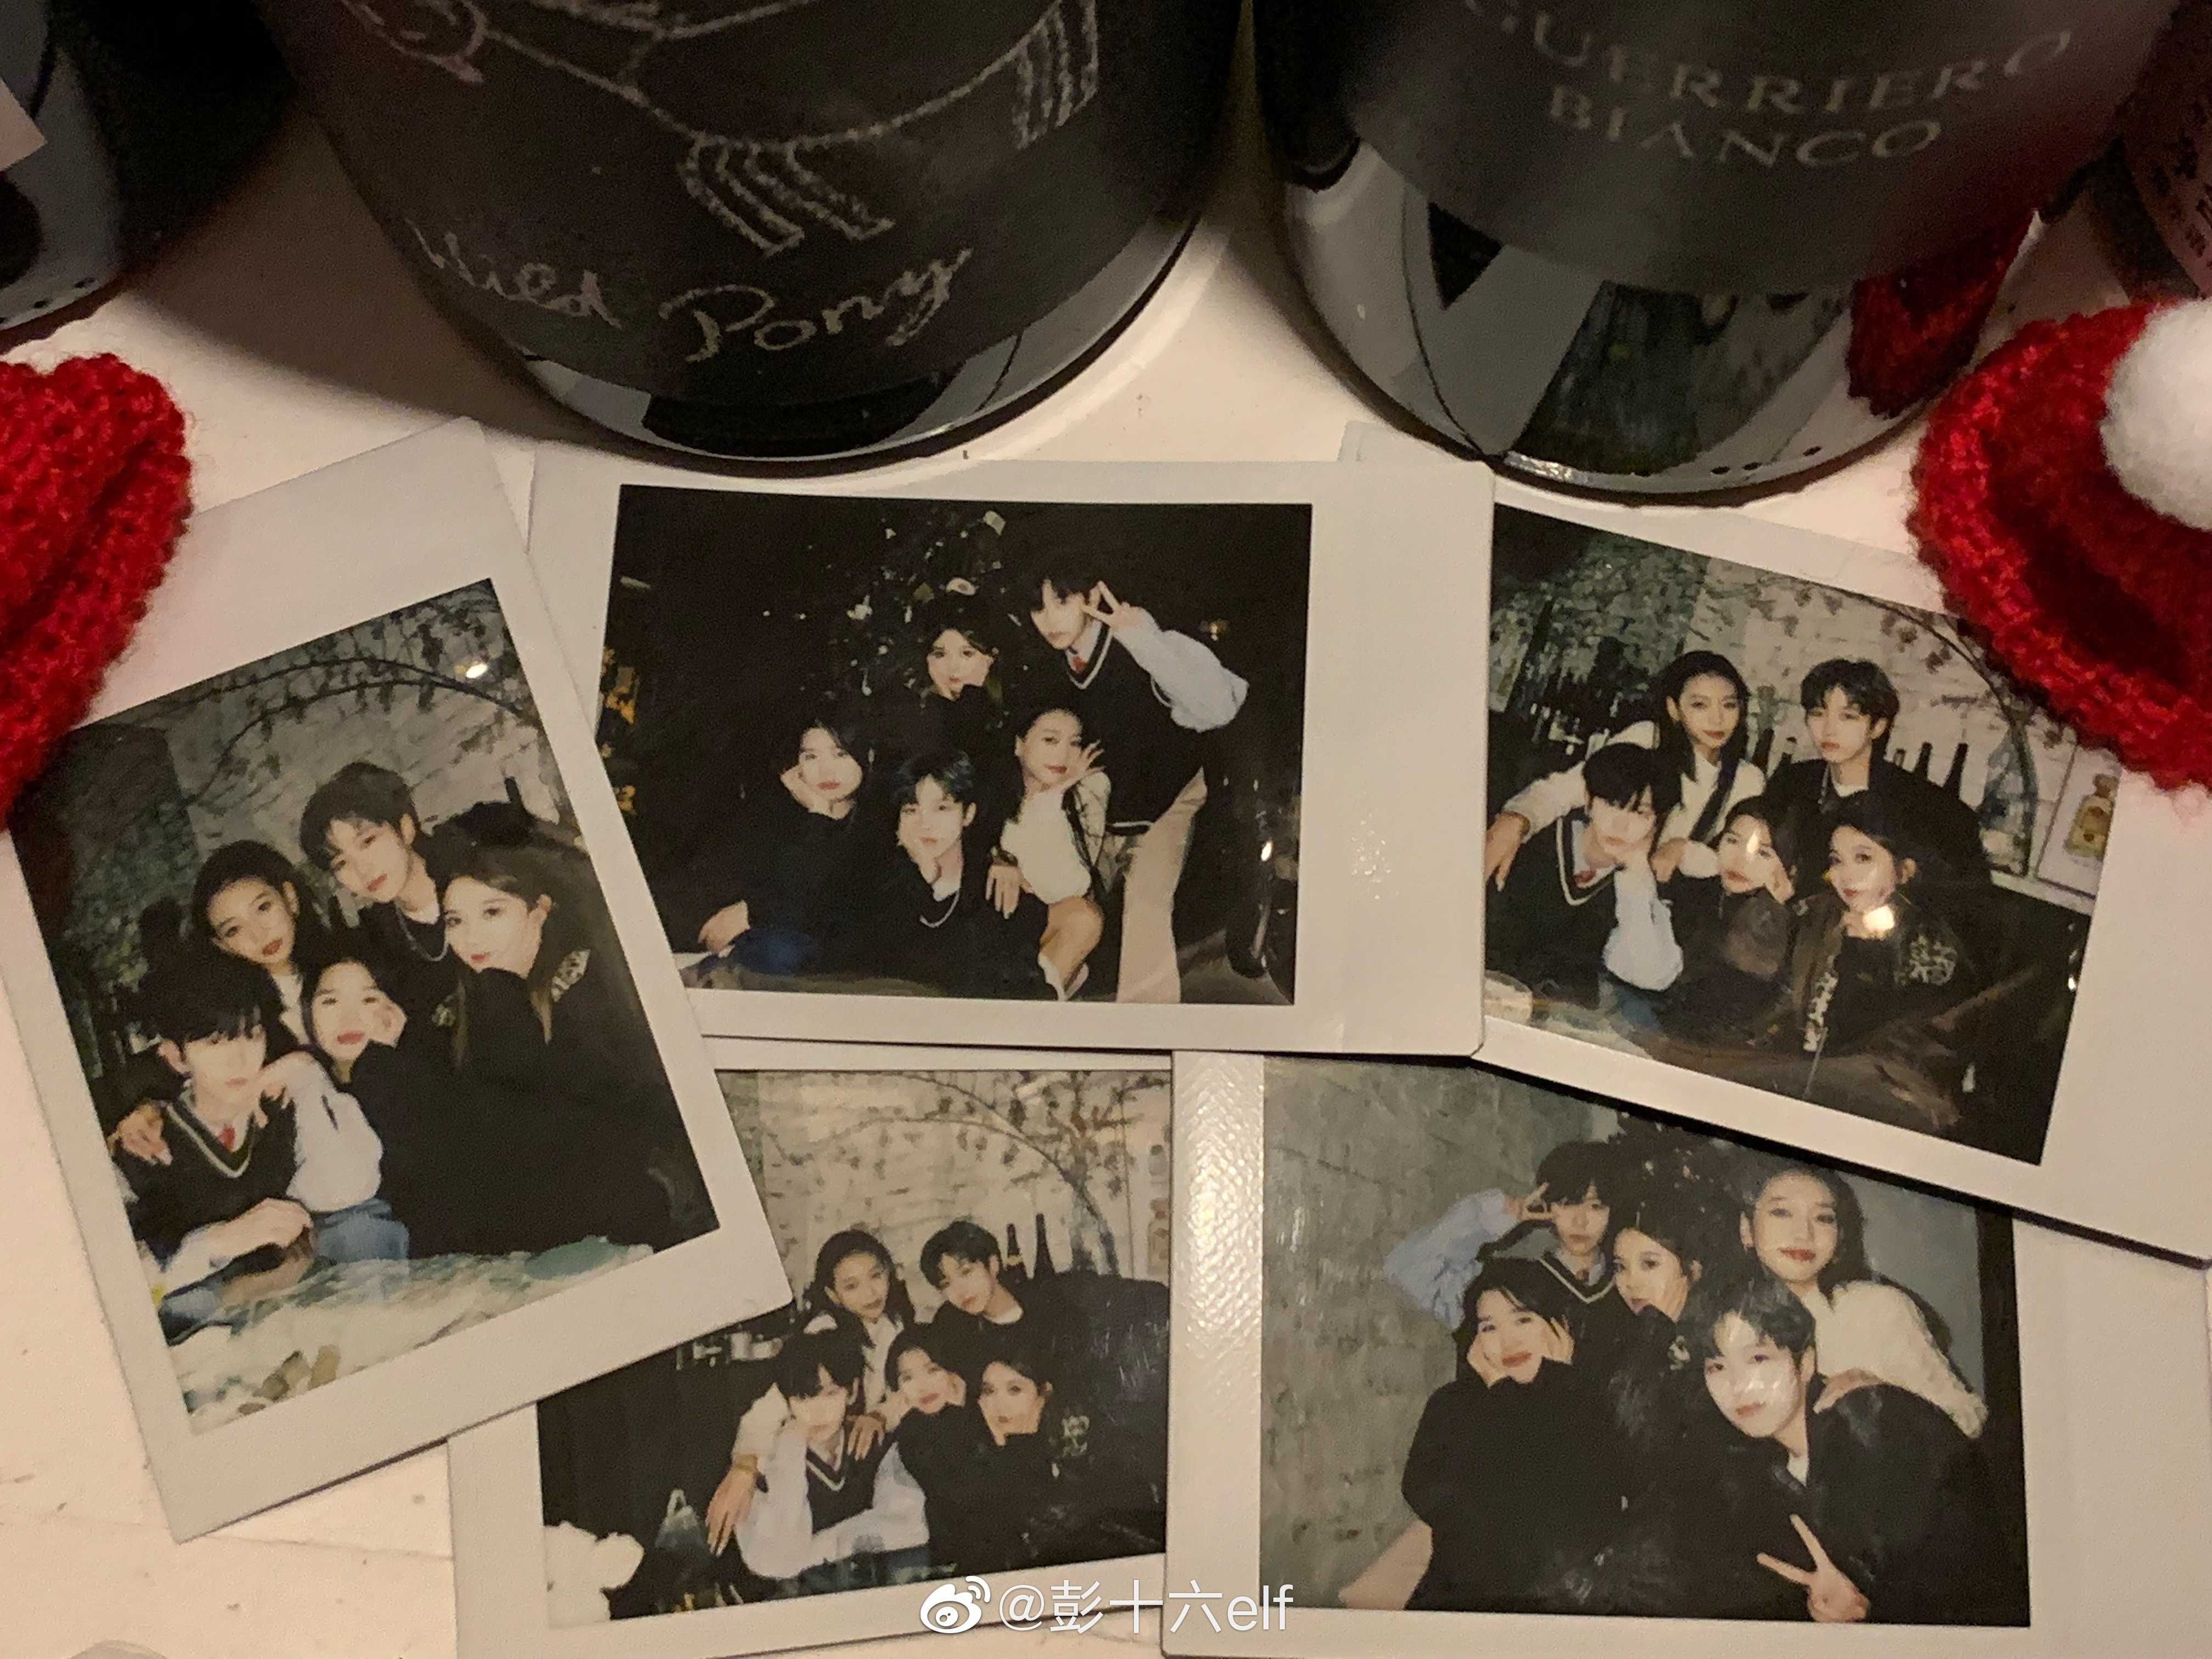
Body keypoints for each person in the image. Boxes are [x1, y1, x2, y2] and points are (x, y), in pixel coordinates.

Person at [1680, 1269, 2021, 1623]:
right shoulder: (1755, 1470)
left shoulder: (1877, 1425)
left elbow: (1972, 1589)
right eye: (1717, 1367)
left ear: (1806, 1363)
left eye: (1758, 1359)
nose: (1739, 1385)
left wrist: (1868, 1614)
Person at [115, 935, 405, 1339]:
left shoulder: (281, 1103)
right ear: (177, 1057)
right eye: (215, 1043)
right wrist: (223, 1241)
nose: (240, 1059)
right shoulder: (147, 1142)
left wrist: (306, 1073)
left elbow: (346, 1193)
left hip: (300, 1307)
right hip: (209, 1326)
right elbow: (120, 1285)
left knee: (363, 1232)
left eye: (252, 1035)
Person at [1021, 549, 1249, 1003]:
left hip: (1170, 794)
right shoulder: (1054, 666)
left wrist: (1142, 638)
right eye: (1038, 608)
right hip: (1110, 801)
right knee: (1059, 892)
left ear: (1091, 598)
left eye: (1062, 602)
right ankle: (1051, 989)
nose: (1049, 620)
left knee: (1146, 902)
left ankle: (1148, 1022)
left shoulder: (1138, 640)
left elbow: (1218, 707)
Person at [1399, 1259, 1618, 1613]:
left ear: (1559, 1327)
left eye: (1523, 1320)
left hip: (1552, 1602)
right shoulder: (1451, 1404)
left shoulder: (1586, 1400)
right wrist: (1501, 1395)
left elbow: (1578, 1524)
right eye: (1489, 1327)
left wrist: (1534, 1388)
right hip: (1459, 1595)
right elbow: (1426, 1492)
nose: (1508, 1340)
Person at [1761, 798, 1984, 1124]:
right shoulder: (1818, 916)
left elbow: (1894, 1051)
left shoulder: (1928, 947)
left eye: (1863, 858)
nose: (1845, 874)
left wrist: (1866, 953)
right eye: (1837, 860)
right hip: (1797, 1075)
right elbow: (1781, 1000)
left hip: (1876, 1096)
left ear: (1904, 871)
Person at [1734, 1160, 1987, 1436]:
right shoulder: (1730, 1321)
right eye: (1782, 1212)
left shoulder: (1877, 1308)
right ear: (1747, 1229)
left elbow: (1968, 1418)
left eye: (1823, 1218)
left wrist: (1887, 1400)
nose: (1803, 1234)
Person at [1487, 651, 1764, 890]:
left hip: (1670, 902)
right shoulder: (1648, 739)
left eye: (1729, 705)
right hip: (1608, 885)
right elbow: (1570, 788)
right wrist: (1517, 819)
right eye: (1700, 705)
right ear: (1674, 709)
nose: (1717, 718)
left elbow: (1738, 863)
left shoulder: (1748, 780)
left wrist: (1683, 849)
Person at [710, 1231, 921, 1542]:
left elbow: (909, 1389)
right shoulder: (823, 1333)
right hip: (816, 1452)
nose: (870, 1293)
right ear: (833, 1295)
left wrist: (880, 1415)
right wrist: (745, 1465)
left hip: (862, 1447)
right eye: (852, 1286)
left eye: (876, 1276)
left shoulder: (894, 1322)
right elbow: (771, 1408)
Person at [920, 1218, 1169, 1481]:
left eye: (966, 1273)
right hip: (1008, 1446)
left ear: (993, 1265)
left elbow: (1078, 1382)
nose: (960, 1291)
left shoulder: (1049, 1307)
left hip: (1069, 1433)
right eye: (946, 1284)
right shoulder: (953, 1327)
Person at [1383, 1138, 1639, 1363]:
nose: (1580, 1221)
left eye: (1596, 1207)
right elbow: (1408, 1266)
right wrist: (1491, 1216)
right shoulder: (1506, 1283)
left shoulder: (1632, 1292)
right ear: (1548, 1206)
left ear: (1613, 1211)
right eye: (1567, 1204)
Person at [723, 1323, 933, 1594]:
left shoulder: (871, 1442)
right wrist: (790, 1451)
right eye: (804, 1398)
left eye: (831, 1394)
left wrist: (824, 1546)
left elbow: (910, 1527)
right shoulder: (768, 1462)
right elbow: (773, 1560)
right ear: (787, 1402)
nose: (818, 1411)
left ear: (852, 1391)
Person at [656, 714, 871, 975]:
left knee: (782, 952)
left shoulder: (880, 824)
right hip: (727, 936)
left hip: (799, 949)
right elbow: (715, 880)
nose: (826, 771)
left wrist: (819, 815)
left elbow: (822, 904)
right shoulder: (771, 812)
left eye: (840, 755)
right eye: (811, 757)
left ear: (867, 756)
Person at [1759, 659, 1990, 893]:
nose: (1829, 730)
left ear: (1878, 726)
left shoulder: (1930, 809)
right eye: (1818, 714)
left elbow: (1965, 898)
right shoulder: (1791, 783)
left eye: (1848, 717)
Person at [1485, 742, 1685, 1006]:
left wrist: (1636, 872)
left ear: (1657, 822)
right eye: (1612, 804)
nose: (1621, 825)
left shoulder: (1639, 884)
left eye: (1640, 813)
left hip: (1558, 1013)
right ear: (1589, 801)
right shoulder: (1537, 840)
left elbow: (1649, 976)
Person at [847, 750, 1054, 997]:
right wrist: (923, 878)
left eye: (942, 808)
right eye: (911, 810)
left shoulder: (995, 888)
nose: (925, 824)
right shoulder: (875, 884)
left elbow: (1020, 987)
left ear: (968, 814)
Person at [957, 1334, 1166, 1573]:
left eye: (1014, 1390)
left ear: (1043, 1394)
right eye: (988, 1391)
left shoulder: (1079, 1459)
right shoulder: (979, 1464)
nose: (998, 1404)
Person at [298, 762, 464, 1022]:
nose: (362, 869)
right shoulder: (380, 939)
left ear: (405, 828)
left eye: (367, 841)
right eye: (341, 863)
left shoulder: (473, 876)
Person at [1651, 797, 1798, 1048]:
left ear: (1788, 870)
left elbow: (1743, 985)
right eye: (1732, 841)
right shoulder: (1700, 887)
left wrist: (1773, 907)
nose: (1740, 860)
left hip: (1724, 1047)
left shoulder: (1784, 923)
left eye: (1762, 853)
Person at [987, 704, 1108, 1001]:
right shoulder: (989, 795)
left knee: (1084, 917)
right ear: (1019, 745)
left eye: (1074, 743)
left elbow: (1065, 889)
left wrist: (1054, 796)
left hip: (1044, 930)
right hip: (990, 931)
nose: (1063, 755)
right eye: (1050, 740)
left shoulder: (1089, 791)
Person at [191, 840, 334, 1046]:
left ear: (290, 898)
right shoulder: (240, 1019)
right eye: (234, 930)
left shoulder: (346, 962)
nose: (258, 935)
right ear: (222, 945)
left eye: (263, 908)